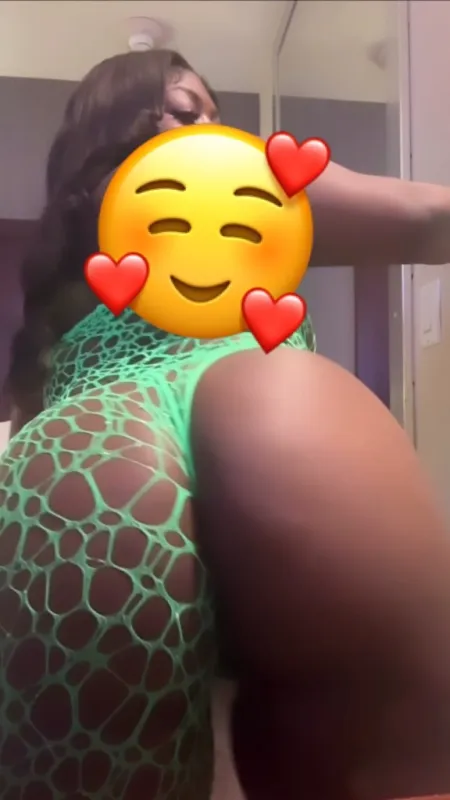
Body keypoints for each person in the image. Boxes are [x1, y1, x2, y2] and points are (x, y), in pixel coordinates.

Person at [2, 48, 450, 800]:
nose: (211, 130)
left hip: (80, 455)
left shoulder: (60, 259)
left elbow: (26, 422)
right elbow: (430, 219)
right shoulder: (236, 177)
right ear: (129, 119)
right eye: (189, 110)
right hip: (269, 402)